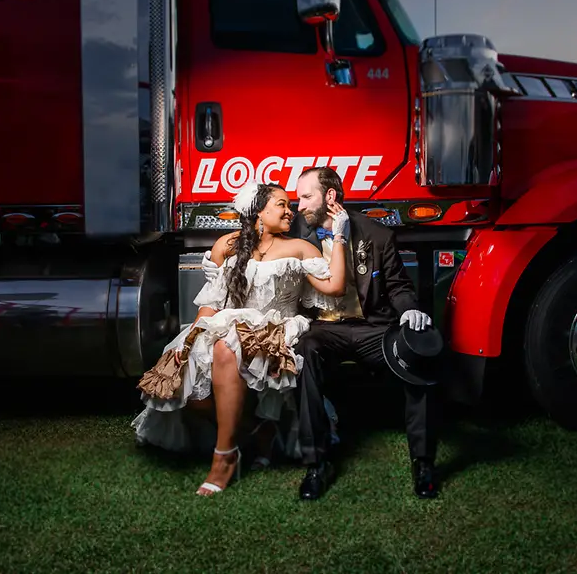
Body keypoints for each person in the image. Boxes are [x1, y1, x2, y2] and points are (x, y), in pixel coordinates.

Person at [130, 181, 349, 496]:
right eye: (282, 205)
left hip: (275, 331)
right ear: (258, 212)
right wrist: (187, 342)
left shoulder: (300, 248)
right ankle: (258, 431)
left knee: (224, 347)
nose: (290, 211)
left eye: (290, 205)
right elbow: (212, 303)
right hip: (226, 326)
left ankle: (225, 458)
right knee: (182, 382)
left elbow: (336, 288)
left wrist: (339, 234)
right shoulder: (227, 246)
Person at [290, 166, 443, 501]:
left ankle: (423, 462)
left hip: (373, 328)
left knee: (418, 354)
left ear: (330, 196)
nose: (298, 205)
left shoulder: (376, 234)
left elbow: (399, 286)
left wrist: (410, 311)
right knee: (305, 351)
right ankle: (316, 463)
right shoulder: (296, 233)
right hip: (325, 328)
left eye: (305, 197)